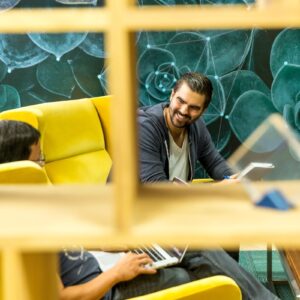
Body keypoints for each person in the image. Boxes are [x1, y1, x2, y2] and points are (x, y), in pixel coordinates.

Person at [0, 120, 279, 300]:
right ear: (14, 167)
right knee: (186, 272)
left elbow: (68, 247)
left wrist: (114, 245)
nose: (43, 166)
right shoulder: (17, 228)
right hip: (105, 288)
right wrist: (117, 273)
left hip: (104, 265)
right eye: (38, 161)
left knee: (190, 247)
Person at [138, 72, 239, 261]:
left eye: (194, 107)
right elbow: (156, 187)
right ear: (171, 95)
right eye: (180, 101)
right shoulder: (144, 127)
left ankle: (226, 285)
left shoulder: (196, 126)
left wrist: (232, 180)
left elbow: (215, 162)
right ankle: (224, 281)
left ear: (203, 109)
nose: (184, 111)